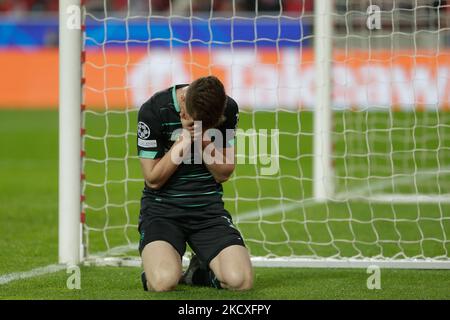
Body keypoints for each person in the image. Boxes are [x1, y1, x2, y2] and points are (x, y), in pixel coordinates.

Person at [137, 75, 253, 292]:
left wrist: (199, 135)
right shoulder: (153, 110)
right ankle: (157, 266)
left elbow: (224, 173)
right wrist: (184, 139)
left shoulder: (226, 108)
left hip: (208, 213)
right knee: (163, 282)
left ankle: (199, 272)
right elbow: (152, 179)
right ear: (182, 108)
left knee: (241, 281)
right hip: (162, 213)